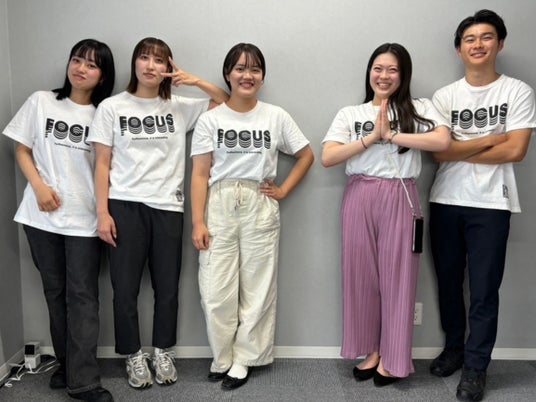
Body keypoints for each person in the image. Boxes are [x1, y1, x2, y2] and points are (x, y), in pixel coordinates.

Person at [87, 37, 228, 389]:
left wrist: (193, 80)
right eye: (145, 58)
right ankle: (133, 355)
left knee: (167, 288)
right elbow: (101, 163)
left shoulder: (179, 106)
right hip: (124, 204)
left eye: (159, 60)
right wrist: (102, 212)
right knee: (124, 288)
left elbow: (225, 102)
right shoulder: (112, 107)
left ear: (168, 67)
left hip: (168, 206)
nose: (151, 66)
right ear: (134, 63)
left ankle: (163, 351)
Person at [321, 43, 450, 386]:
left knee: (399, 279)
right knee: (361, 277)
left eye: (392, 69)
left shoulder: (420, 108)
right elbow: (329, 157)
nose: (384, 75)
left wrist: (392, 135)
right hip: (359, 194)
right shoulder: (351, 113)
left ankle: (394, 358)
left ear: (403, 74)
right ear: (369, 72)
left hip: (401, 194)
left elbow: (442, 142)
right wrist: (371, 138)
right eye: (378, 68)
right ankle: (372, 350)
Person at [190, 42, 314, 390]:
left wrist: (283, 190)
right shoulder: (211, 119)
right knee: (215, 289)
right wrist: (198, 221)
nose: (248, 75)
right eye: (240, 68)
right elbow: (199, 173)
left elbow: (306, 155)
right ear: (228, 74)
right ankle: (222, 356)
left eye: (255, 69)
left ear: (262, 76)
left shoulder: (275, 116)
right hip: (219, 203)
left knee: (258, 287)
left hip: (259, 204)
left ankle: (244, 358)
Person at [428, 9, 536, 402]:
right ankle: (454, 349)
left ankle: (476, 367)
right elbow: (439, 154)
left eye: (486, 37)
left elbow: (517, 150)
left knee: (485, 289)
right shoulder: (445, 96)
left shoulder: (518, 92)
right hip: (445, 200)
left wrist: (460, 147)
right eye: (470, 39)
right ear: (459, 49)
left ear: (500, 44)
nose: (478, 44)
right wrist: (491, 139)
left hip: (492, 203)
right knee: (448, 283)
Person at [2, 39, 115, 402]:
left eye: (92, 65)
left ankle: (83, 382)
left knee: (83, 298)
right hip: (41, 218)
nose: (81, 68)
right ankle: (67, 367)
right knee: (55, 293)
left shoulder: (104, 114)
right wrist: (39, 187)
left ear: (102, 76)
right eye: (77, 60)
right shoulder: (42, 101)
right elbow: (21, 148)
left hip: (84, 219)